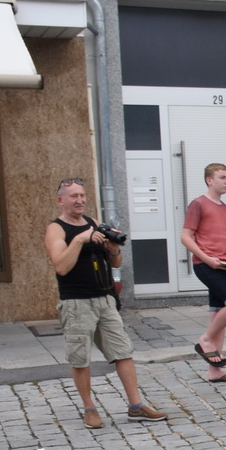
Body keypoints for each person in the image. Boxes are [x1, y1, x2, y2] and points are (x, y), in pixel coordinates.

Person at [44, 179, 169, 430]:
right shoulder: (56, 229)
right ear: (61, 200)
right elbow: (61, 266)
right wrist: (80, 240)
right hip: (77, 303)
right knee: (80, 358)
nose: (79, 200)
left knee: (123, 352)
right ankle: (89, 408)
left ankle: (136, 406)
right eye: (73, 196)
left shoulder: (93, 223)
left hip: (105, 299)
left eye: (82, 195)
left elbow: (115, 263)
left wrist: (113, 248)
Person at [179, 163, 226, 385]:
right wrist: (207, 258)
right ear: (209, 180)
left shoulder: (225, 209)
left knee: (217, 315)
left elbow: (219, 239)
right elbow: (186, 237)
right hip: (205, 265)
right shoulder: (198, 204)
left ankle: (215, 371)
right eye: (222, 177)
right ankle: (205, 340)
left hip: (223, 265)